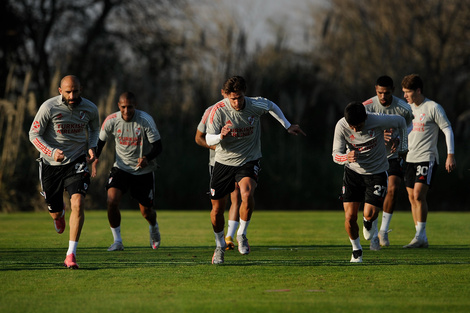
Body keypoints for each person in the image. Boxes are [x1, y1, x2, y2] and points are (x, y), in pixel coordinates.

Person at [205, 75, 306, 264]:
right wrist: (220, 136)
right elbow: (208, 139)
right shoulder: (217, 111)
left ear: (245, 94)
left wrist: (287, 125)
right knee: (217, 210)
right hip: (223, 162)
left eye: (240, 97)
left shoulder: (255, 104)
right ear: (225, 95)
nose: (236, 102)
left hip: (248, 160)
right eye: (232, 98)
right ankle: (219, 246)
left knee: (247, 193)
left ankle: (241, 234)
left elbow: (272, 106)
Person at [29, 75, 100, 269]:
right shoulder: (48, 107)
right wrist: (51, 152)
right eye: (68, 92)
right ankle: (58, 216)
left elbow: (95, 130)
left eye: (76, 91)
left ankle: (71, 254)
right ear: (60, 91)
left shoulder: (90, 108)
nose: (72, 95)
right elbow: (33, 134)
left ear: (81, 89)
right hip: (51, 164)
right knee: (56, 212)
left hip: (77, 160)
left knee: (78, 202)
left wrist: (93, 146)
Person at [332, 101, 407, 262]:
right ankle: (356, 250)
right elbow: (335, 155)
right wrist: (346, 157)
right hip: (353, 172)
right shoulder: (341, 126)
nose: (354, 129)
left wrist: (400, 143)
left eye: (358, 126)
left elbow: (401, 122)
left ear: (366, 119)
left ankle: (368, 221)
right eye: (352, 126)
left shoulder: (377, 120)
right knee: (350, 217)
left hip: (377, 172)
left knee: (369, 213)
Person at [91, 91, 162, 251]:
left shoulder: (145, 120)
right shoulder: (111, 121)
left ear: (135, 106)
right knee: (111, 201)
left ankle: (153, 227)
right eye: (123, 107)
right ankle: (117, 241)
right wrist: (95, 159)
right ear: (119, 106)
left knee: (146, 212)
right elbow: (100, 143)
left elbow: (158, 147)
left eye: (130, 107)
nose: (126, 111)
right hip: (121, 169)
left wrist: (147, 158)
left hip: (143, 171)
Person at [401, 74, 456, 248]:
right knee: (411, 197)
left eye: (408, 92)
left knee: (418, 194)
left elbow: (447, 129)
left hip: (426, 158)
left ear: (418, 90)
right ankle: (420, 238)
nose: (405, 96)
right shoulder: (406, 108)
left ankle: (420, 235)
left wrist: (450, 155)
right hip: (409, 158)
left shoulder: (433, 107)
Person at [363, 75, 413, 247]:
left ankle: (383, 231)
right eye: (379, 93)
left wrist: (399, 139)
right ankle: (374, 234)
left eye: (386, 93)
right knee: (376, 197)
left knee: (393, 188)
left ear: (392, 91)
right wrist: (377, 134)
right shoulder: (366, 107)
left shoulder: (403, 108)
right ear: (375, 90)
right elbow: (358, 130)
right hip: (373, 157)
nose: (383, 97)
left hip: (392, 156)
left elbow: (409, 126)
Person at [195, 103, 241, 251]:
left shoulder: (244, 111)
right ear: (223, 92)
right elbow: (199, 138)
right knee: (219, 205)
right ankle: (220, 239)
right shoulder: (211, 111)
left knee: (238, 195)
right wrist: (218, 146)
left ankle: (229, 237)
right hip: (217, 163)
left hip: (239, 161)